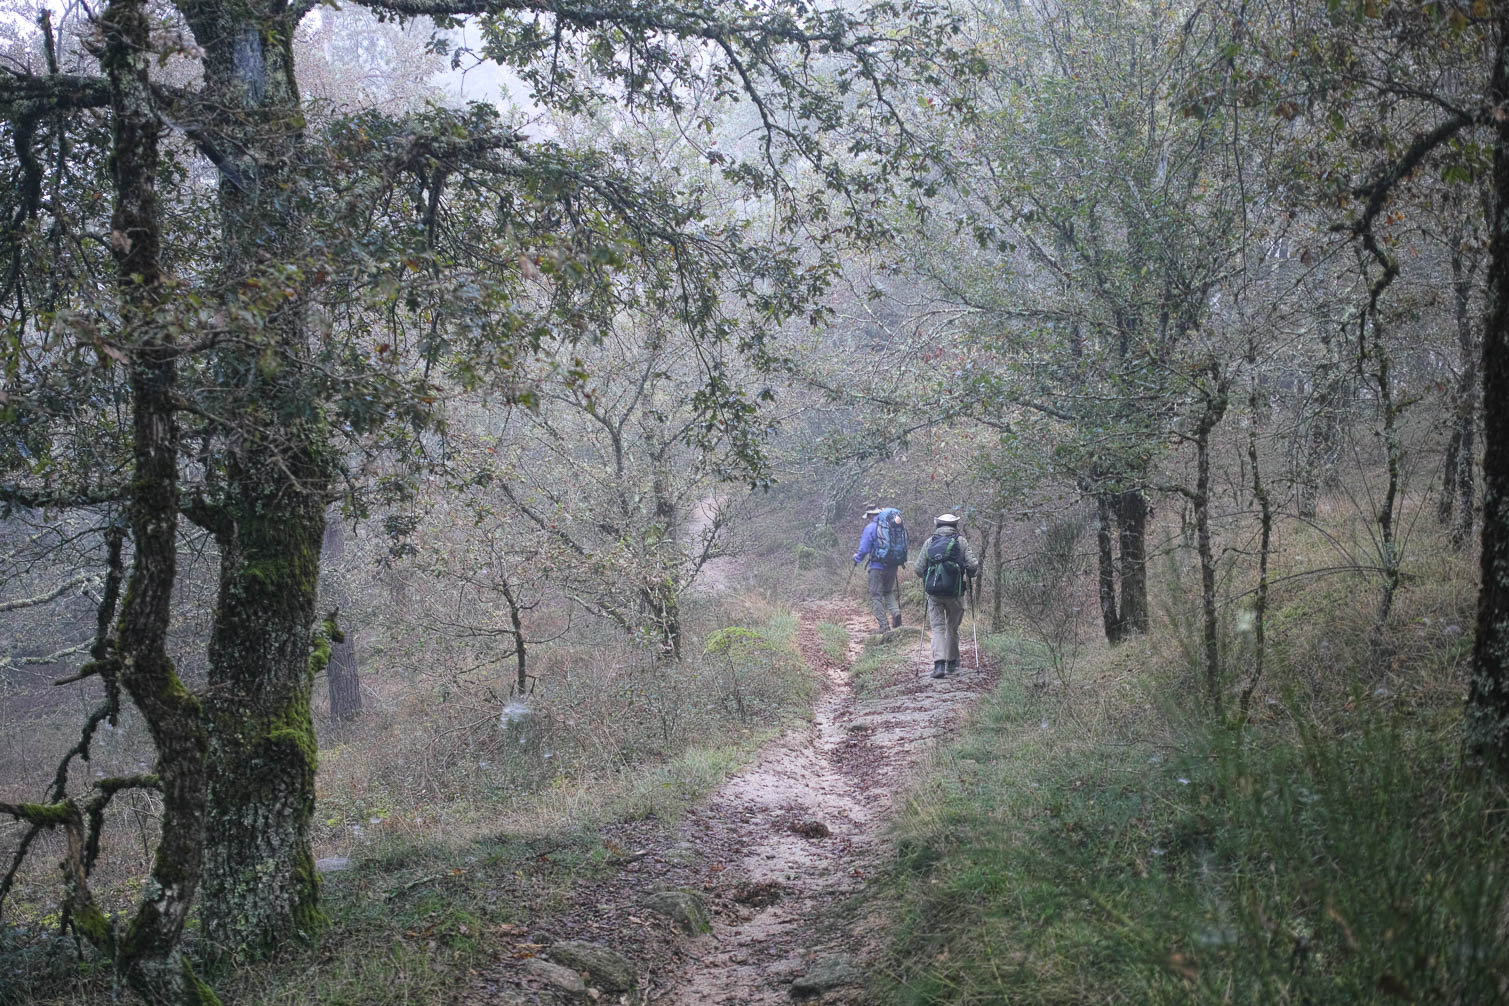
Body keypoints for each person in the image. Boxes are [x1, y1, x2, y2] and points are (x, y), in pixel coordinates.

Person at [913, 513, 978, 678]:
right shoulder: (960, 541)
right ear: (955, 525)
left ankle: (938, 665)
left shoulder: (930, 542)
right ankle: (951, 662)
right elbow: (973, 564)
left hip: (934, 594)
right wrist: (969, 572)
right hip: (955, 593)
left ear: (937, 525)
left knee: (938, 628)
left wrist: (930, 577)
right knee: (952, 627)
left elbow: (918, 568)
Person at [854, 506, 903, 633]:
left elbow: (864, 548)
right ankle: (896, 613)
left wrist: (857, 558)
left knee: (876, 595)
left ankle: (884, 626)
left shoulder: (870, 527)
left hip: (877, 566)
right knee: (888, 591)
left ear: (870, 515)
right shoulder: (892, 526)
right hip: (893, 564)